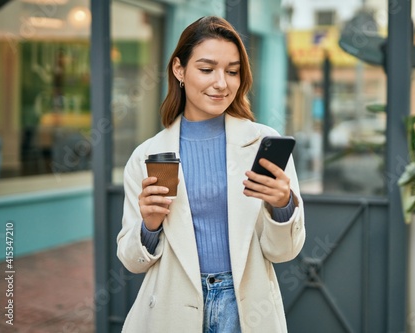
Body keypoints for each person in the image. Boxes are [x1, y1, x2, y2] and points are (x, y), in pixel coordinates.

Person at [117, 16, 305, 333]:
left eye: (232, 71)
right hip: (170, 309)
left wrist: (283, 206)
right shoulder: (146, 155)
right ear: (179, 69)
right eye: (207, 69)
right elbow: (132, 262)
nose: (221, 82)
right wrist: (149, 225)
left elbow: (283, 252)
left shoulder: (262, 143)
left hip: (245, 310)